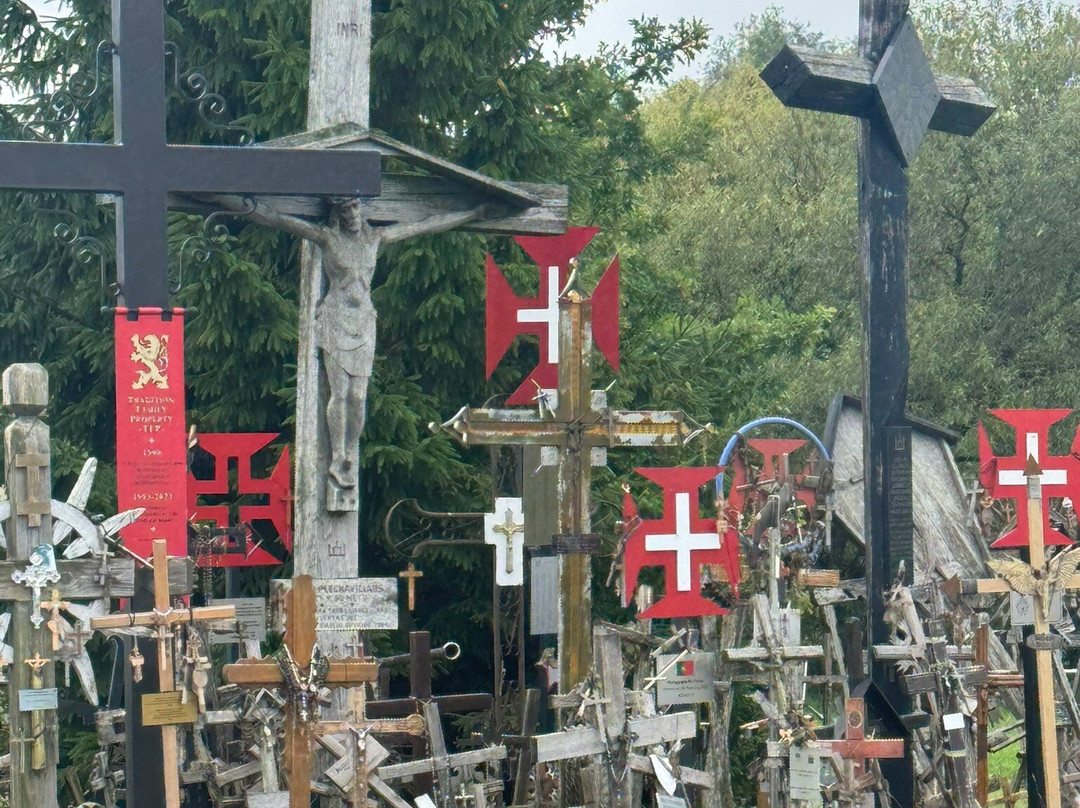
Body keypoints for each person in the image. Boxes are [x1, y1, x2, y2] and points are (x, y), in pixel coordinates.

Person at [238, 196, 497, 496]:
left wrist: (473, 212)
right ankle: (338, 456)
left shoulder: (376, 237)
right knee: (340, 393)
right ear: (337, 212)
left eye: (355, 207)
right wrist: (249, 206)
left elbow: (425, 225)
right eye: (344, 209)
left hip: (363, 323)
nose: (351, 214)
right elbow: (282, 220)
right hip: (335, 318)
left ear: (362, 208)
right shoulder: (327, 238)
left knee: (359, 396)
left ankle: (350, 450)